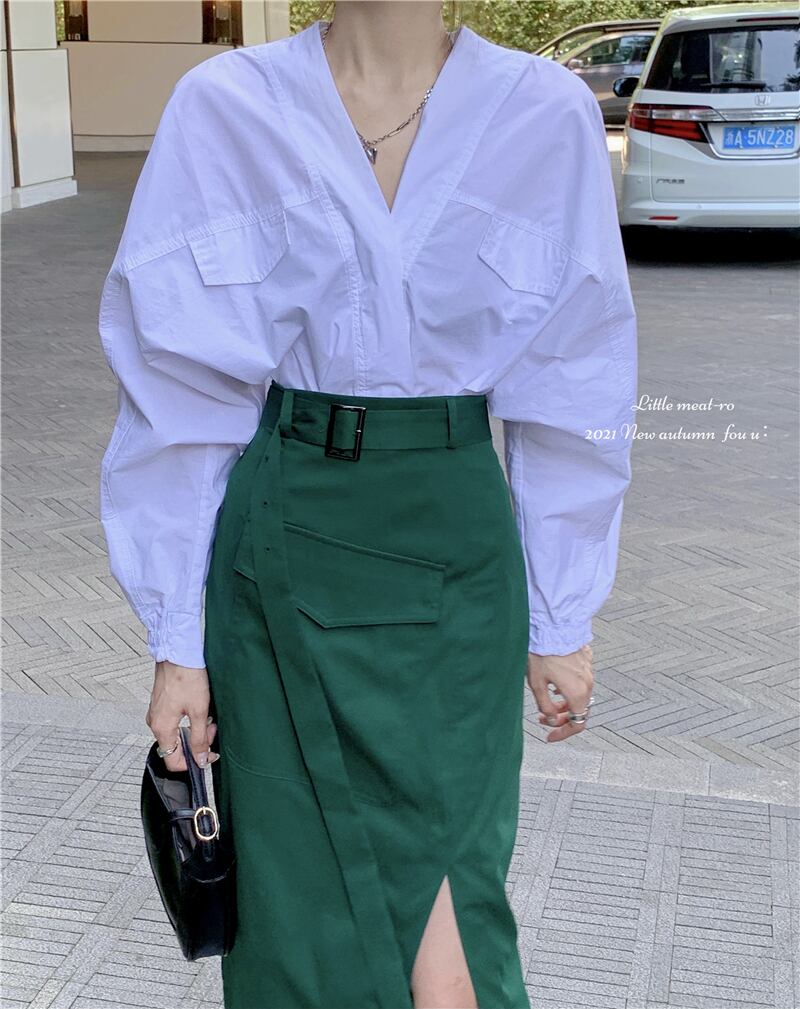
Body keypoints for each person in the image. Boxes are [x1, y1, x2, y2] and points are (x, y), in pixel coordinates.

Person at [97, 3, 637, 1007]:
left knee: (454, 930)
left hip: (456, 560)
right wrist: (176, 641)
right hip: (284, 553)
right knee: (302, 930)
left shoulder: (546, 112)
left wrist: (562, 611)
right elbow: (178, 397)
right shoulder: (226, 106)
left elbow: (575, 377)